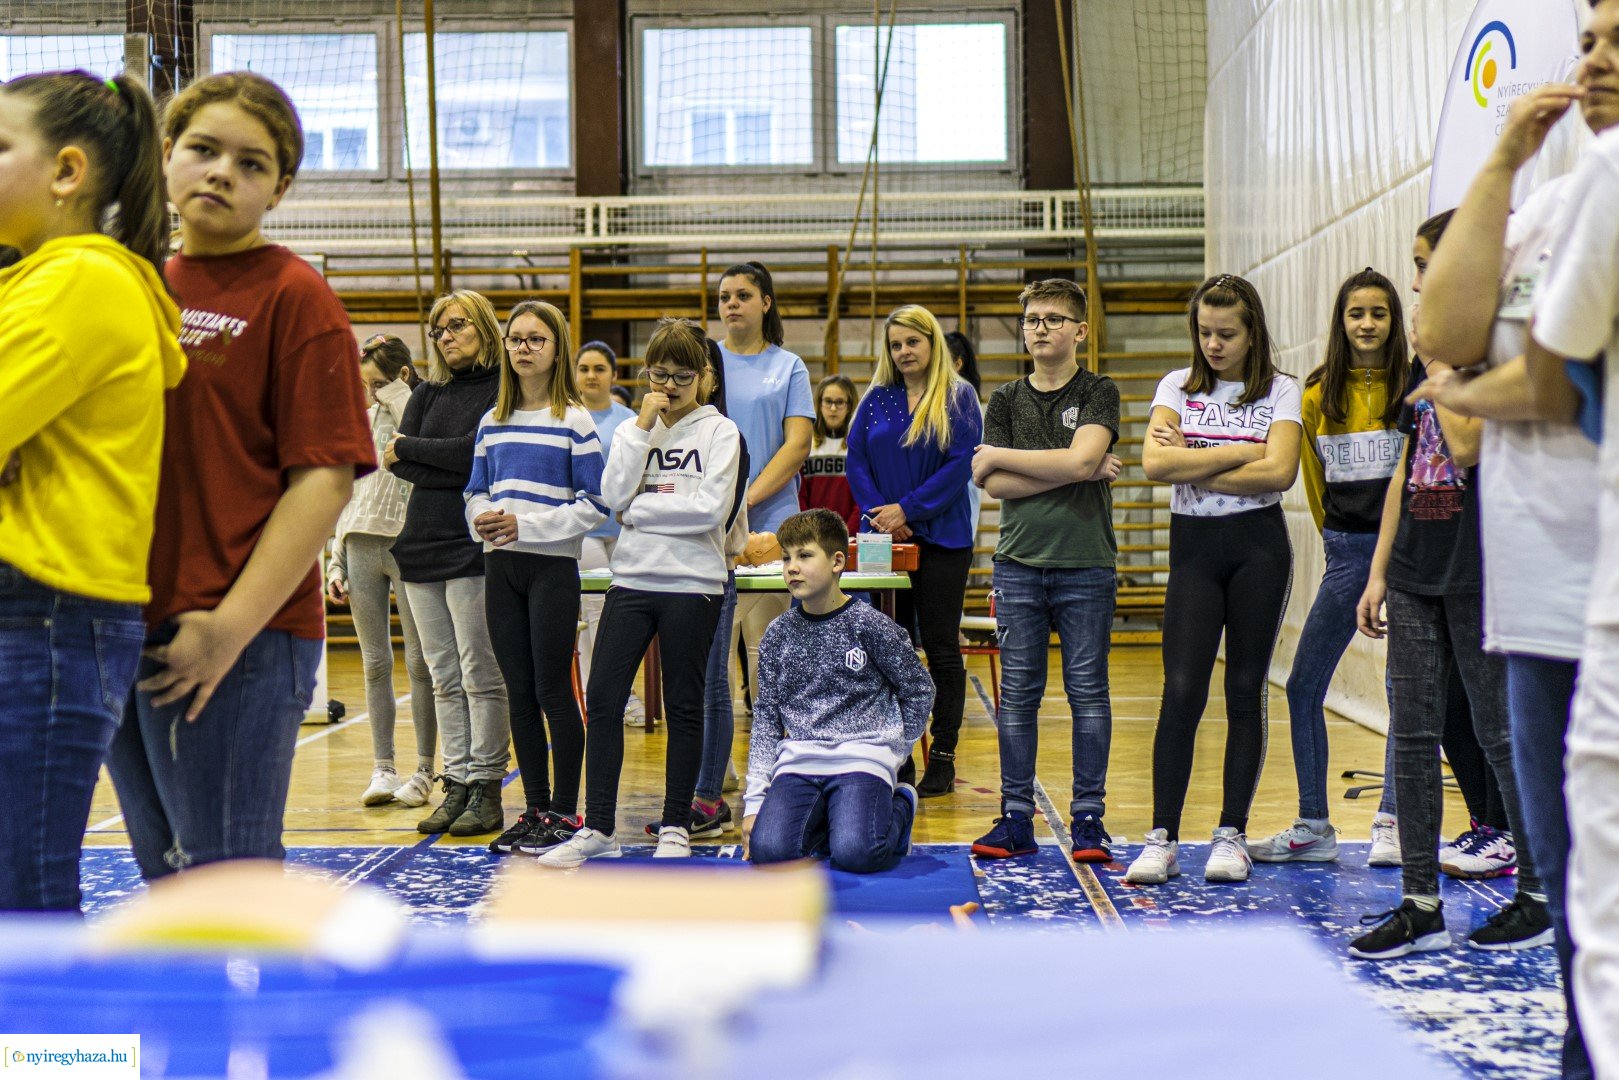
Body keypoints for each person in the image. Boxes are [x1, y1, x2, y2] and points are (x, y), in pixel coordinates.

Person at [106, 71, 374, 881]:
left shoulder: (296, 297)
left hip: (243, 634)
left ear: (280, 189)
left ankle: (258, 1013)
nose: (223, 172)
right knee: (163, 877)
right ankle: (178, 1018)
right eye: (204, 150)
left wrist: (226, 629)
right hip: (122, 626)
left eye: (251, 164)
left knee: (225, 880)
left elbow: (323, 482)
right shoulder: (130, 279)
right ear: (166, 157)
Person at [1442, 13, 1619, 1070]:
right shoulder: (1559, 194)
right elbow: (1443, 332)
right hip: (1546, 593)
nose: (1590, 61)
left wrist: (1468, 394)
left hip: (1596, 582)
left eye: (1613, 38)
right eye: (1586, 36)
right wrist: (1503, 155)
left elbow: (1549, 380)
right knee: (1575, 904)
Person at [1347, 210, 1554, 960]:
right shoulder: (1429, 357)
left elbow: (1465, 445)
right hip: (1413, 572)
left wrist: (1442, 378)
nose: (1412, 280)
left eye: (1425, 264)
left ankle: (1535, 892)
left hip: (1477, 570)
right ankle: (1418, 904)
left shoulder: (1493, 353)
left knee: (1502, 737)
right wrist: (1376, 571)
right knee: (1410, 736)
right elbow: (1409, 468)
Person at [0, 71, 184, 911]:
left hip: (44, 613)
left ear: (68, 172)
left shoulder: (80, 281)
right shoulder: (42, 276)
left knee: (26, 900)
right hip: (42, 612)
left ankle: (71, 1055)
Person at [538, 318, 745, 867]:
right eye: (659, 374)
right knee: (603, 699)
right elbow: (610, 494)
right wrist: (638, 429)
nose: (670, 385)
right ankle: (600, 826)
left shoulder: (720, 433)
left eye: (682, 375)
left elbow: (709, 511)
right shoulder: (637, 427)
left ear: (704, 377)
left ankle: (676, 824)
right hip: (631, 579)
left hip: (694, 585)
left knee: (683, 704)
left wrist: (639, 512)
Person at [1126, 274, 1300, 886]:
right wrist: (1243, 451)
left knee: (1245, 688)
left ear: (1253, 334)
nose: (1214, 345)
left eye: (1227, 334)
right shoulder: (1176, 385)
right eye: (1204, 333)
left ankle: (1231, 833)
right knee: (1182, 690)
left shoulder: (1282, 390)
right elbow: (1154, 463)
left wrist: (1197, 458)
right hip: (1194, 551)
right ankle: (1162, 836)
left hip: (1259, 549)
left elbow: (1280, 474)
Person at [1248, 269, 1408, 866]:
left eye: (1379, 313)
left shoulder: (1413, 390)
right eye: (1355, 314)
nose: (1367, 324)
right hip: (1348, 555)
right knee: (1303, 684)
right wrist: (1346, 554)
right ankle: (1314, 823)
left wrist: (1389, 563)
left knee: (1406, 692)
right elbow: (1314, 487)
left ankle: (1392, 819)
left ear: (1393, 322)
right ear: (1341, 323)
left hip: (1411, 559)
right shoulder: (1319, 396)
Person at [968, 279, 1123, 863]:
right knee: (1019, 698)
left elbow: (1012, 468)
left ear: (1080, 331)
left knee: (1088, 695)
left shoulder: (1100, 390)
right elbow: (992, 484)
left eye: (1055, 319)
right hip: (1018, 567)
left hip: (1086, 565)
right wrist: (1079, 469)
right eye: (1033, 319)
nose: (1041, 328)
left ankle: (1088, 818)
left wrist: (1010, 458)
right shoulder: (1006, 398)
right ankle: (1015, 818)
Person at [466, 301, 606, 853]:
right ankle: (534, 809)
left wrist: (527, 524)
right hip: (500, 567)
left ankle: (565, 813)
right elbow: (475, 491)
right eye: (516, 339)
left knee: (552, 689)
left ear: (556, 348)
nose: (524, 347)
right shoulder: (491, 420)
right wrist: (483, 521)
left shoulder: (574, 420)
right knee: (517, 692)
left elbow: (596, 504)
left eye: (535, 339)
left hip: (552, 566)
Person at [692, 261, 812, 838]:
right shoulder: (704, 362)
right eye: (723, 296)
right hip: (711, 528)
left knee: (768, 655)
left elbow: (796, 446)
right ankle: (721, 771)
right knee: (716, 662)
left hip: (773, 527)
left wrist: (742, 500)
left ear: (766, 302)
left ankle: (776, 768)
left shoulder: (787, 366)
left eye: (743, 295)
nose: (731, 304)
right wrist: (723, 508)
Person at [744, 509, 934, 873]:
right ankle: (836, 816)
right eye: (786, 557)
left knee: (856, 853)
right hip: (799, 760)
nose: (791, 567)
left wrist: (894, 750)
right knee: (769, 851)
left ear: (837, 562)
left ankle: (901, 803)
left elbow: (918, 689)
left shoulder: (870, 624)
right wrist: (754, 804)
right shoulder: (777, 635)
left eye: (804, 555)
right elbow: (766, 721)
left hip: (863, 757)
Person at [847, 305, 983, 797]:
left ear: (932, 344)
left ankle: (942, 757)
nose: (904, 352)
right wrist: (881, 514)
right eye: (896, 344)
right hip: (887, 541)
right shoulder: (876, 398)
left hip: (943, 539)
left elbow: (959, 465)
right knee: (892, 651)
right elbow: (856, 459)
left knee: (942, 649)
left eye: (912, 342)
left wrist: (907, 509)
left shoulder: (959, 396)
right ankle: (898, 754)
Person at [388, 289, 509, 837]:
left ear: (484, 327)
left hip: (471, 544)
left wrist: (420, 451)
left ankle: (486, 785)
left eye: (457, 325)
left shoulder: (502, 390)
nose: (446, 336)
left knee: (479, 673)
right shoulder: (429, 393)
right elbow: (397, 460)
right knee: (441, 677)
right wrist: (434, 456)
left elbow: (475, 454)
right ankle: (455, 782)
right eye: (438, 329)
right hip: (418, 545)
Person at [326, 334, 438, 809]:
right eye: (364, 384)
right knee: (374, 663)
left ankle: (425, 770)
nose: (368, 393)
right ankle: (383, 767)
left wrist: (396, 390)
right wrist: (335, 556)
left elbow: (416, 435)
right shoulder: (359, 419)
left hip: (408, 545)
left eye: (376, 383)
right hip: (359, 545)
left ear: (401, 378)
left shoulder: (419, 412)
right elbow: (346, 489)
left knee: (420, 662)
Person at [574, 340, 647, 726]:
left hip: (622, 527)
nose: (590, 376)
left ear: (613, 375)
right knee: (594, 615)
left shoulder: (629, 419)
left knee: (621, 619)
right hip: (583, 530)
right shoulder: (567, 414)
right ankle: (598, 697)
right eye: (584, 368)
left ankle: (621, 692)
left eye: (599, 369)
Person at [798, 374, 861, 534]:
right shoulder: (806, 444)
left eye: (839, 402)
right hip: (812, 534)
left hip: (849, 534)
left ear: (850, 406)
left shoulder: (859, 447)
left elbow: (861, 498)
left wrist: (847, 532)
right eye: (828, 401)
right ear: (819, 404)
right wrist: (809, 529)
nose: (833, 408)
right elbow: (800, 494)